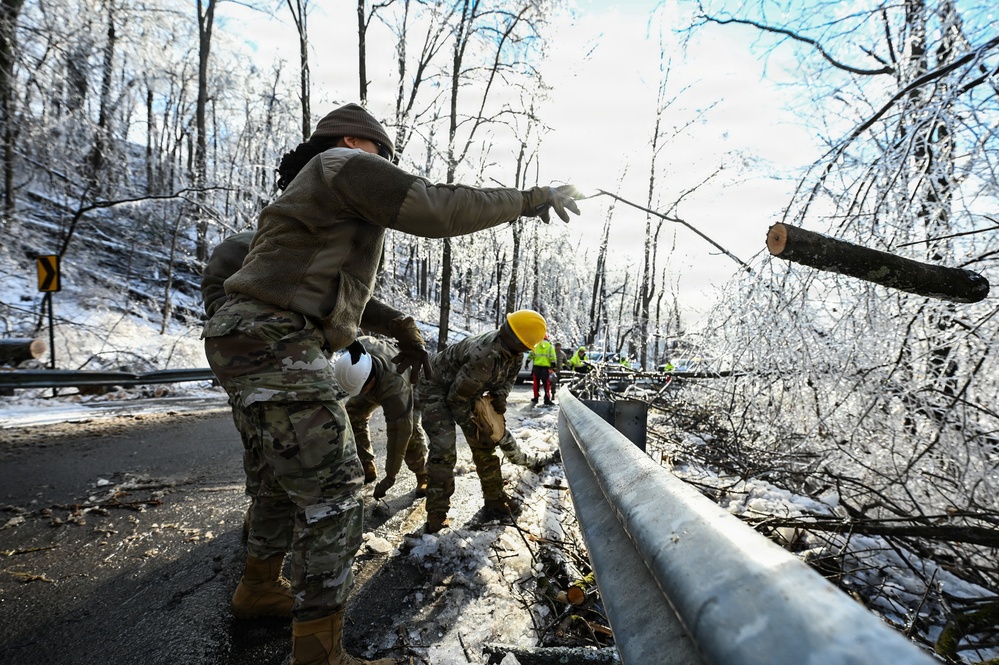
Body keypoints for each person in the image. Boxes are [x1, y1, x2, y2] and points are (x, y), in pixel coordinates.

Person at [201, 103, 582, 665]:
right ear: (360, 143)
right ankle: (320, 655)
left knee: (279, 479)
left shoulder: (315, 202)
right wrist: (531, 198)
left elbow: (323, 289)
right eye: (385, 156)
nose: (387, 167)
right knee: (333, 494)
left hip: (251, 336)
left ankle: (258, 587)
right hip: (278, 339)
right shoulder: (341, 163)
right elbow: (437, 207)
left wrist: (400, 325)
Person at [418, 310, 547, 534]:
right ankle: (436, 514)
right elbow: (456, 400)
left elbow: (507, 380)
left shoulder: (514, 353)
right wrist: (475, 427)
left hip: (465, 389)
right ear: (517, 340)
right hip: (435, 387)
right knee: (445, 450)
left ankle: (495, 498)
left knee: (484, 444)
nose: (528, 350)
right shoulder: (485, 355)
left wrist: (500, 399)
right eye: (527, 346)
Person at [332, 335, 428, 499]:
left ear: (369, 380)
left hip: (410, 382)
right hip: (376, 378)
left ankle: (423, 474)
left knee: (409, 434)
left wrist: (390, 477)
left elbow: (399, 434)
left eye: (361, 389)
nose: (359, 394)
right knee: (353, 414)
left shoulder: (396, 391)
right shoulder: (358, 352)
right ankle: (366, 464)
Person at [528, 334, 556, 405]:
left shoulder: (536, 345)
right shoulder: (550, 346)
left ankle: (536, 398)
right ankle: (546, 399)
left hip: (536, 367)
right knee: (546, 384)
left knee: (536, 383)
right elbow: (553, 357)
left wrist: (527, 361)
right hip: (545, 368)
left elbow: (531, 354)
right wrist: (553, 365)